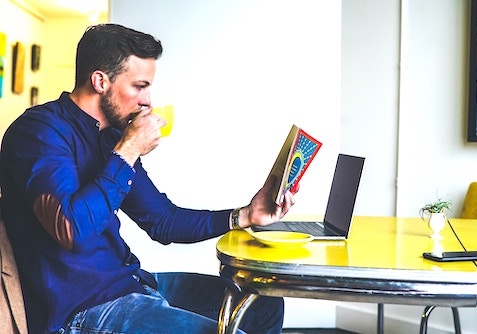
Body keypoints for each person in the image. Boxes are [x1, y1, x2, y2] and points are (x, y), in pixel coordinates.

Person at [0, 24, 297, 334]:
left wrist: (246, 215)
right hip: (82, 309)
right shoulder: (38, 132)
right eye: (139, 86)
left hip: (131, 284)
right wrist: (127, 151)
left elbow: (162, 221)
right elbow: (71, 229)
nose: (147, 101)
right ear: (100, 81)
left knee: (263, 304)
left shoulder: (110, 139)